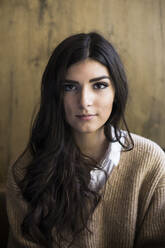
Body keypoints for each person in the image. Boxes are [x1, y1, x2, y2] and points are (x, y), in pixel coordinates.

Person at [6, 32, 165, 248]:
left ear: (116, 91)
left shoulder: (151, 162)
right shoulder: (25, 169)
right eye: (69, 87)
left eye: (99, 85)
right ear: (55, 94)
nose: (84, 101)